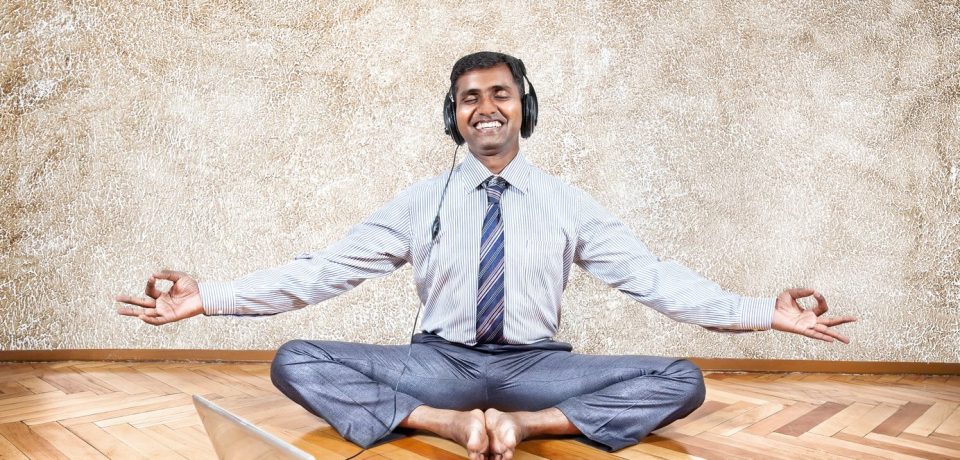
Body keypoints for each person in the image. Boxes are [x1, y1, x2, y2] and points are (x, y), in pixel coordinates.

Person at [117, 51, 856, 460]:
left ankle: (527, 428)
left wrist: (765, 313)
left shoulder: (567, 203)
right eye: (469, 98)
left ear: (523, 107)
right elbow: (323, 272)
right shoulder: (421, 201)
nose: (485, 108)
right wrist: (208, 298)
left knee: (681, 380)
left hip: (537, 369)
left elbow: (655, 280)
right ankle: (445, 424)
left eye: (499, 93)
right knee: (294, 361)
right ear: (455, 116)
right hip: (440, 365)